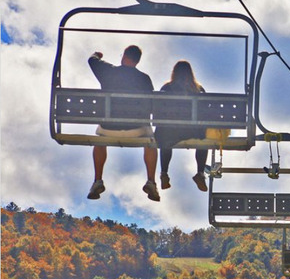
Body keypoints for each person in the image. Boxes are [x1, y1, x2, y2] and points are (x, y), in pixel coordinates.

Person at [86, 46, 159, 202]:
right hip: (137, 129)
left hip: (109, 128)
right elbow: (152, 105)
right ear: (138, 61)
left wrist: (98, 54)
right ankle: (151, 181)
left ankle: (97, 180)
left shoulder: (108, 71)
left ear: (124, 56)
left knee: (100, 138)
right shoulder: (145, 79)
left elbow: (92, 60)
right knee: (151, 140)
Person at [154, 60, 209, 192]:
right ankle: (200, 173)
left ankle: (164, 173)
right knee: (205, 141)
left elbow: (157, 111)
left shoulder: (166, 88)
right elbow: (206, 112)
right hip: (193, 131)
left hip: (170, 132)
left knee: (164, 137)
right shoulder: (199, 89)